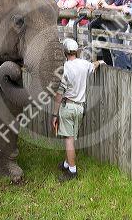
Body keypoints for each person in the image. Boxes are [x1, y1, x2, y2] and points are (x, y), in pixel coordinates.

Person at [52, 38, 102, 181]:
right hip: (80, 107)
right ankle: (67, 164)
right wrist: (101, 62)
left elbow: (59, 94)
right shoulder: (84, 64)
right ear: (76, 51)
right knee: (72, 138)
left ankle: (72, 172)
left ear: (65, 52)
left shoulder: (65, 69)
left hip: (68, 106)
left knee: (68, 140)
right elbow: (94, 65)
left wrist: (54, 114)